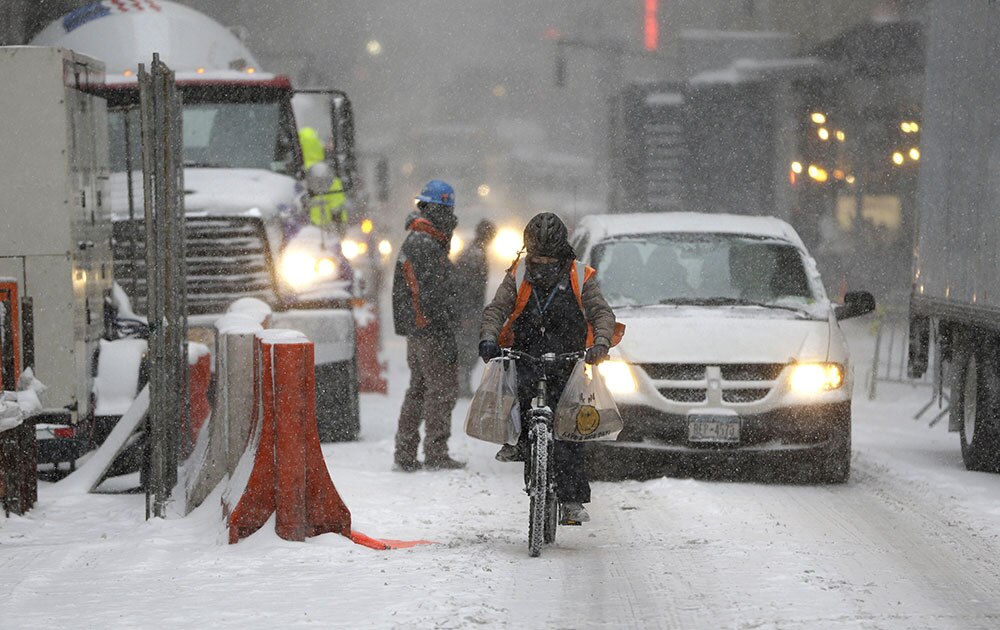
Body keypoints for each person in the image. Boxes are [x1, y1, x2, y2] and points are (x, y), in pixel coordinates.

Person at [478, 212, 620, 524]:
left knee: (569, 430)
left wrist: (601, 343)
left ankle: (571, 500)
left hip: (568, 360)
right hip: (526, 355)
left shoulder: (580, 276)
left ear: (561, 254)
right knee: (516, 400)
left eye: (548, 260)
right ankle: (519, 442)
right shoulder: (517, 274)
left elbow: (601, 313)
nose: (541, 266)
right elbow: (497, 309)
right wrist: (489, 337)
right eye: (536, 259)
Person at [391, 179, 465, 471]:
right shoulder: (425, 243)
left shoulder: (422, 239)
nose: (451, 217)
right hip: (430, 331)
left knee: (419, 389)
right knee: (441, 390)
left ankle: (406, 452)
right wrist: (444, 325)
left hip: (420, 329)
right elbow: (432, 293)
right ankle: (435, 451)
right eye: (448, 210)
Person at [454, 220, 497, 397]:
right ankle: (461, 384)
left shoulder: (474, 252)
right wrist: (466, 314)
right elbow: (467, 288)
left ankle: (462, 383)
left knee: (468, 348)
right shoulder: (475, 256)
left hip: (469, 310)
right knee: (468, 350)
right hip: (469, 311)